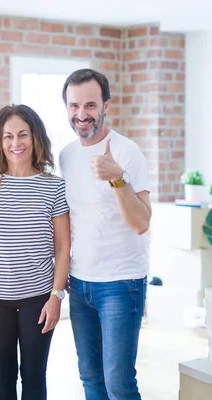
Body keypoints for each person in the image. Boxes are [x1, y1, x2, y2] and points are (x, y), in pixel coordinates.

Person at [0, 104, 70, 400]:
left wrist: (56, 297)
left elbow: (63, 247)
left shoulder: (53, 187)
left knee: (34, 377)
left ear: (35, 138)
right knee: (2, 377)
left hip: (38, 298)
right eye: (8, 136)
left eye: (23, 135)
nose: (15, 143)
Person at [59, 68, 152, 400]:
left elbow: (141, 222)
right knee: (91, 379)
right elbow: (70, 219)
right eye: (74, 106)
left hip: (121, 284)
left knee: (119, 383)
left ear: (106, 105)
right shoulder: (67, 155)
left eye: (90, 106)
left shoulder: (127, 152)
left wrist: (118, 179)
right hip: (80, 284)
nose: (81, 115)